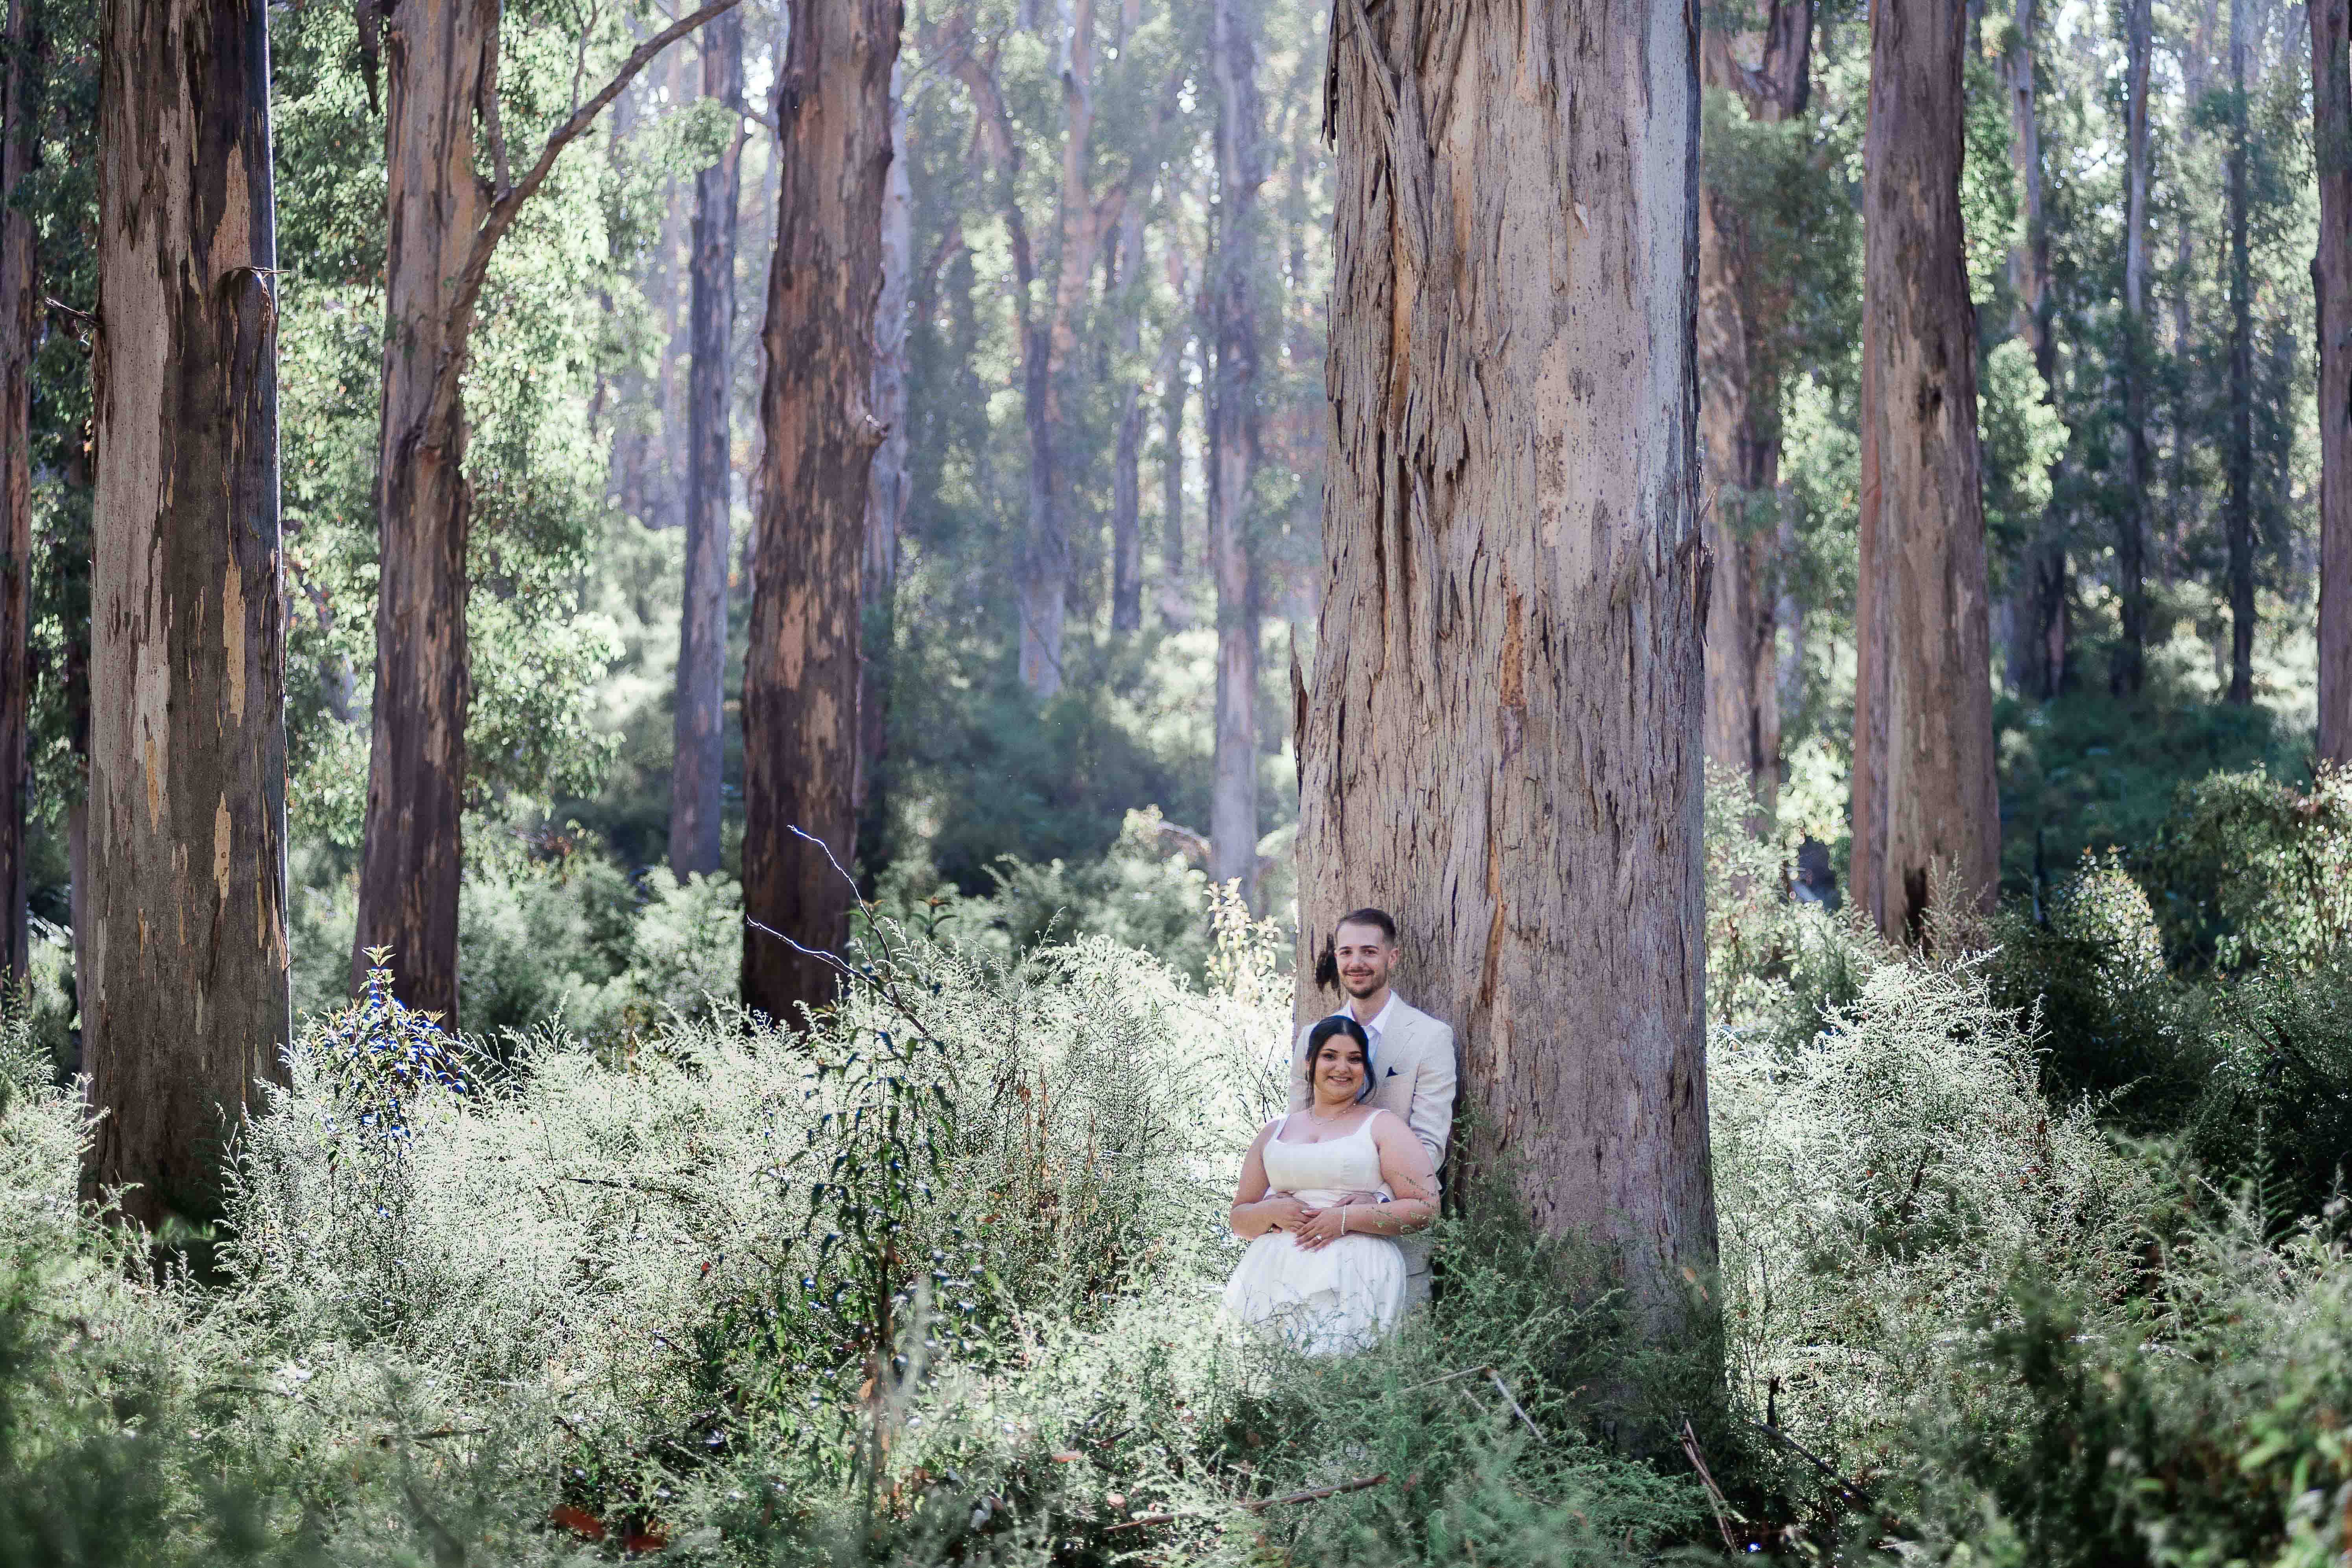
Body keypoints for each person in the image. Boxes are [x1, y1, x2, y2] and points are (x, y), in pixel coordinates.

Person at [1222, 1015, 1440, 1354]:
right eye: (1330, 1056)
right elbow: (1239, 1219)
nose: (1343, 1067)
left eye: (1354, 1059)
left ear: (1365, 1069)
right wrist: (1272, 1210)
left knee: (1337, 1385)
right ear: (1310, 1063)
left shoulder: (1383, 1126)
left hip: (1353, 1273)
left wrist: (1344, 1219)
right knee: (1267, 1389)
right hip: (1272, 1274)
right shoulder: (1274, 1131)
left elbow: (1426, 1208)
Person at [1294, 907, 1456, 1306]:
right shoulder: (1312, 1037)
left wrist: (1378, 1199)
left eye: (1369, 951)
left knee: (1394, 1362)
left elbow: (1429, 1143)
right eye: (1346, 952)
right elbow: (1296, 1129)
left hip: (1395, 1233)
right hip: (1315, 1236)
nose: (1356, 963)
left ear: (1392, 957)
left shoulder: (1430, 1037)